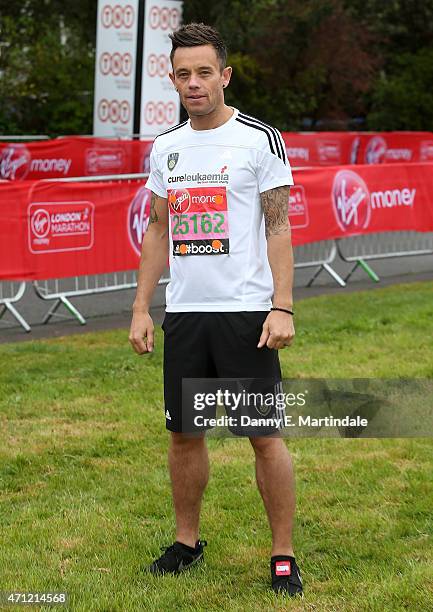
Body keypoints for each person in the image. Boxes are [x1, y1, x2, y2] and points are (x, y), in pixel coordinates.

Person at [129, 22, 303, 597]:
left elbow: (279, 226)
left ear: (224, 75)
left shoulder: (259, 139)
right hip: (186, 315)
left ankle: (282, 555)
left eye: (205, 72)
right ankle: (186, 542)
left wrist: (282, 307)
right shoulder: (167, 148)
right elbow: (157, 229)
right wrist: (141, 308)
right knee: (184, 435)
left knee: (263, 436)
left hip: (245, 315)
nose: (194, 83)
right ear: (172, 79)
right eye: (184, 74)